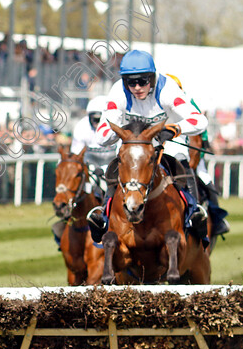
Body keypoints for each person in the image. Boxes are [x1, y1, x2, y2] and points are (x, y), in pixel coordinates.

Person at [87, 50, 210, 243]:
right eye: (131, 82)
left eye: (143, 81)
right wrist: (123, 133)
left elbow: (199, 121)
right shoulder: (119, 91)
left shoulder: (167, 88)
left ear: (152, 78)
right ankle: (103, 216)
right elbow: (102, 136)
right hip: (135, 145)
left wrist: (175, 129)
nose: (137, 87)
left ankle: (195, 212)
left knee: (181, 161)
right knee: (117, 167)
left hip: (166, 141)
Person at [164, 73, 229, 237]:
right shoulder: (156, 103)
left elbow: (200, 135)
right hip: (160, 151)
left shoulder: (187, 102)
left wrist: (197, 153)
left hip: (187, 151)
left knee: (204, 177)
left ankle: (213, 218)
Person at [52, 96, 115, 244]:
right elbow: (76, 156)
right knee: (77, 189)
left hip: (113, 164)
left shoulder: (115, 125)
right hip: (90, 165)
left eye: (100, 119)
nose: (96, 122)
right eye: (94, 118)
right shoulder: (81, 127)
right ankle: (66, 222)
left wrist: (108, 170)